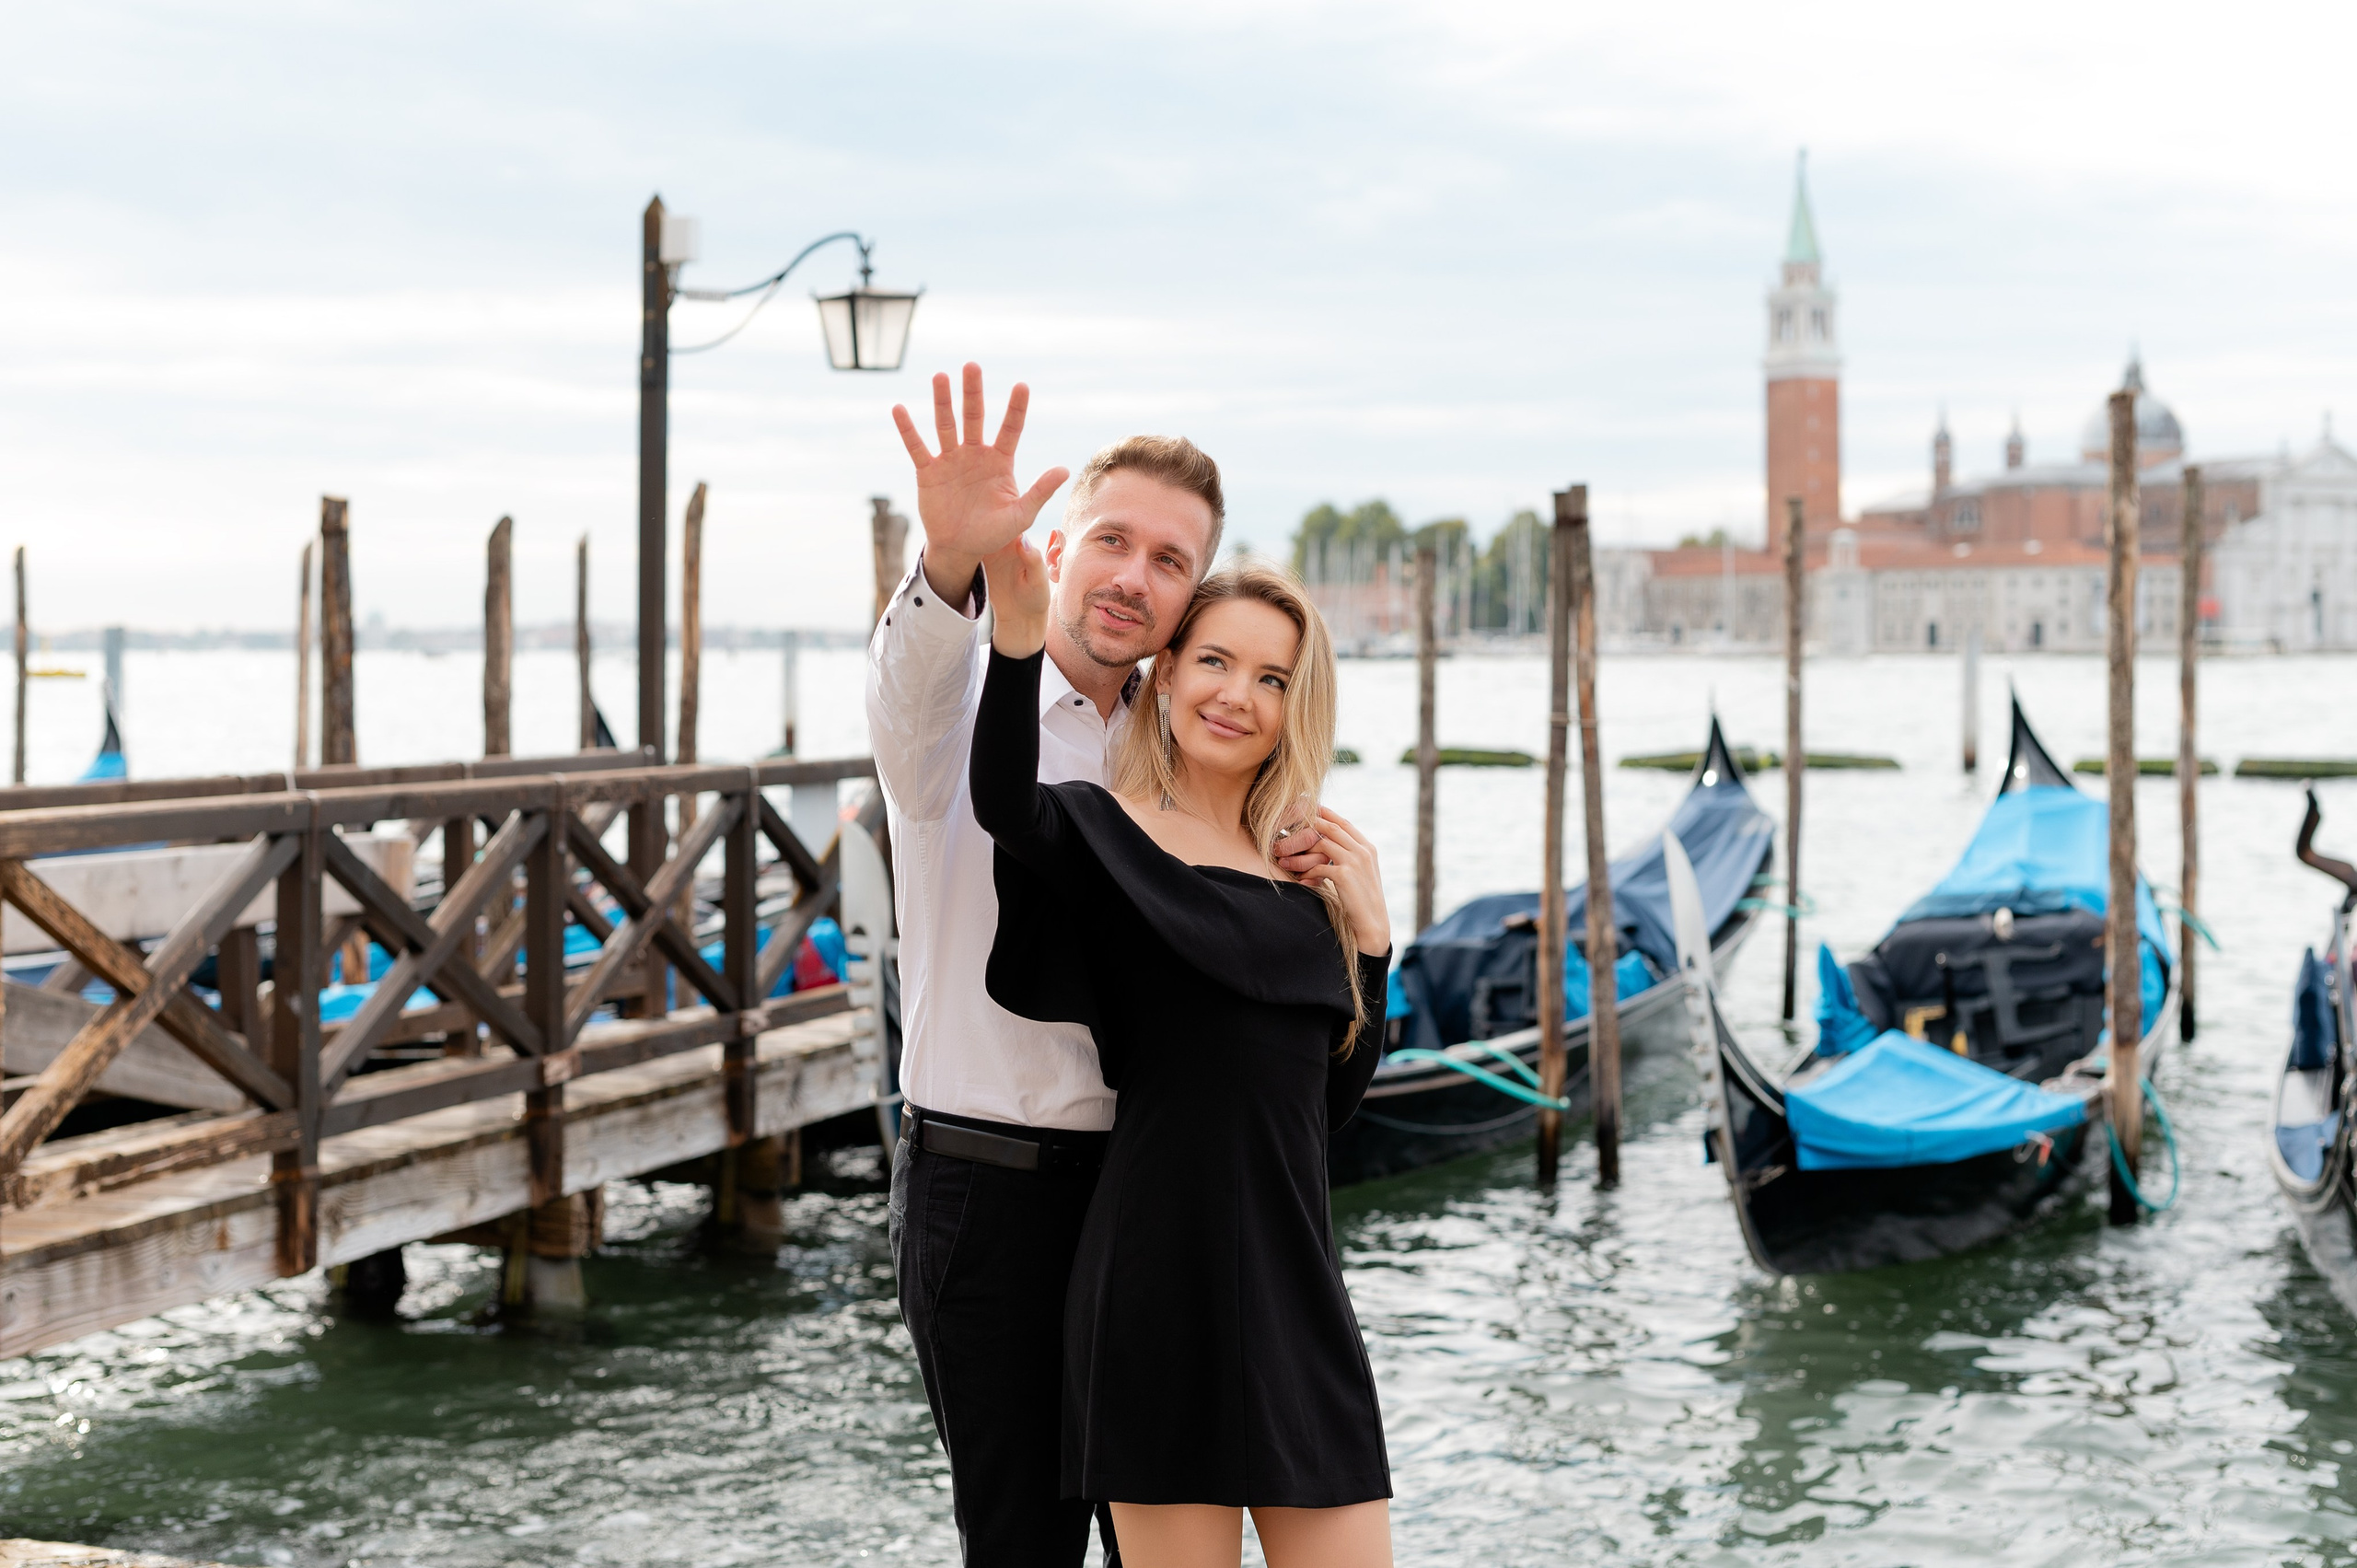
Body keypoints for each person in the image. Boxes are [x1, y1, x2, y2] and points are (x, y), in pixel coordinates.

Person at [868, 365, 1322, 1565]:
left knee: (1165, 1547)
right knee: (1019, 1545)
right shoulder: (951, 712)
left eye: (1171, 560)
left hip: (1161, 1195)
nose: (1135, 575)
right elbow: (911, 675)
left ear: (1192, 595)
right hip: (989, 1192)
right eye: (1114, 541)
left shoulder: (1192, 746)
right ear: (1058, 544)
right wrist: (955, 564)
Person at [966, 538, 1398, 1568]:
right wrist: (1020, 643)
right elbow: (998, 801)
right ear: (1165, 671)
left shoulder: (1306, 881)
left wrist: (1374, 946)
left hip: (1298, 1291)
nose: (1236, 694)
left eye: (1271, 678)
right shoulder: (1104, 833)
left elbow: (1326, 1105)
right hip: (1154, 1290)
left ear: (1297, 706)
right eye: (1213, 660)